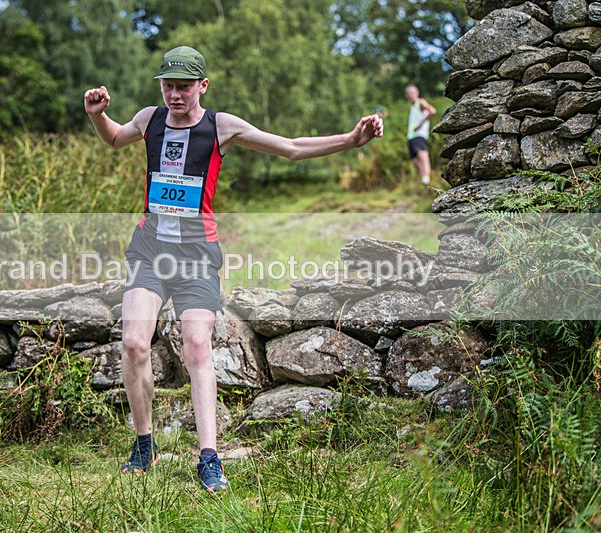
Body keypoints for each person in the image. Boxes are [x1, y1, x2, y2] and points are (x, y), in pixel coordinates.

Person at [84, 46, 383, 492]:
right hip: (148, 249)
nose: (175, 94)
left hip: (196, 255)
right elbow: (112, 138)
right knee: (132, 342)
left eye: (184, 86)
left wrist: (350, 140)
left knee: (198, 345)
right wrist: (97, 115)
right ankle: (144, 446)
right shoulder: (150, 119)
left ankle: (209, 458)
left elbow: (291, 148)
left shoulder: (220, 126)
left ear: (202, 85)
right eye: (168, 84)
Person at [405, 84, 436, 185]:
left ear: (417, 93)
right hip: (411, 137)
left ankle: (427, 181)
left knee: (422, 157)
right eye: (408, 93)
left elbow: (432, 111)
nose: (410, 95)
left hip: (420, 135)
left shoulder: (421, 102)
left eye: (412, 93)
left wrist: (420, 124)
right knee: (414, 161)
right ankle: (423, 182)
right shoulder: (412, 107)